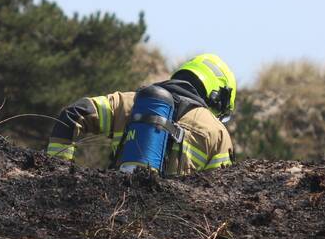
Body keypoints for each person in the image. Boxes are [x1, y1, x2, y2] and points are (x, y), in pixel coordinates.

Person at [46, 53, 236, 175]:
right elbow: (220, 191)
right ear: (217, 97)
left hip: (115, 208)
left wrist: (57, 173)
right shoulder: (217, 132)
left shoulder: (127, 102)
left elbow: (74, 113)